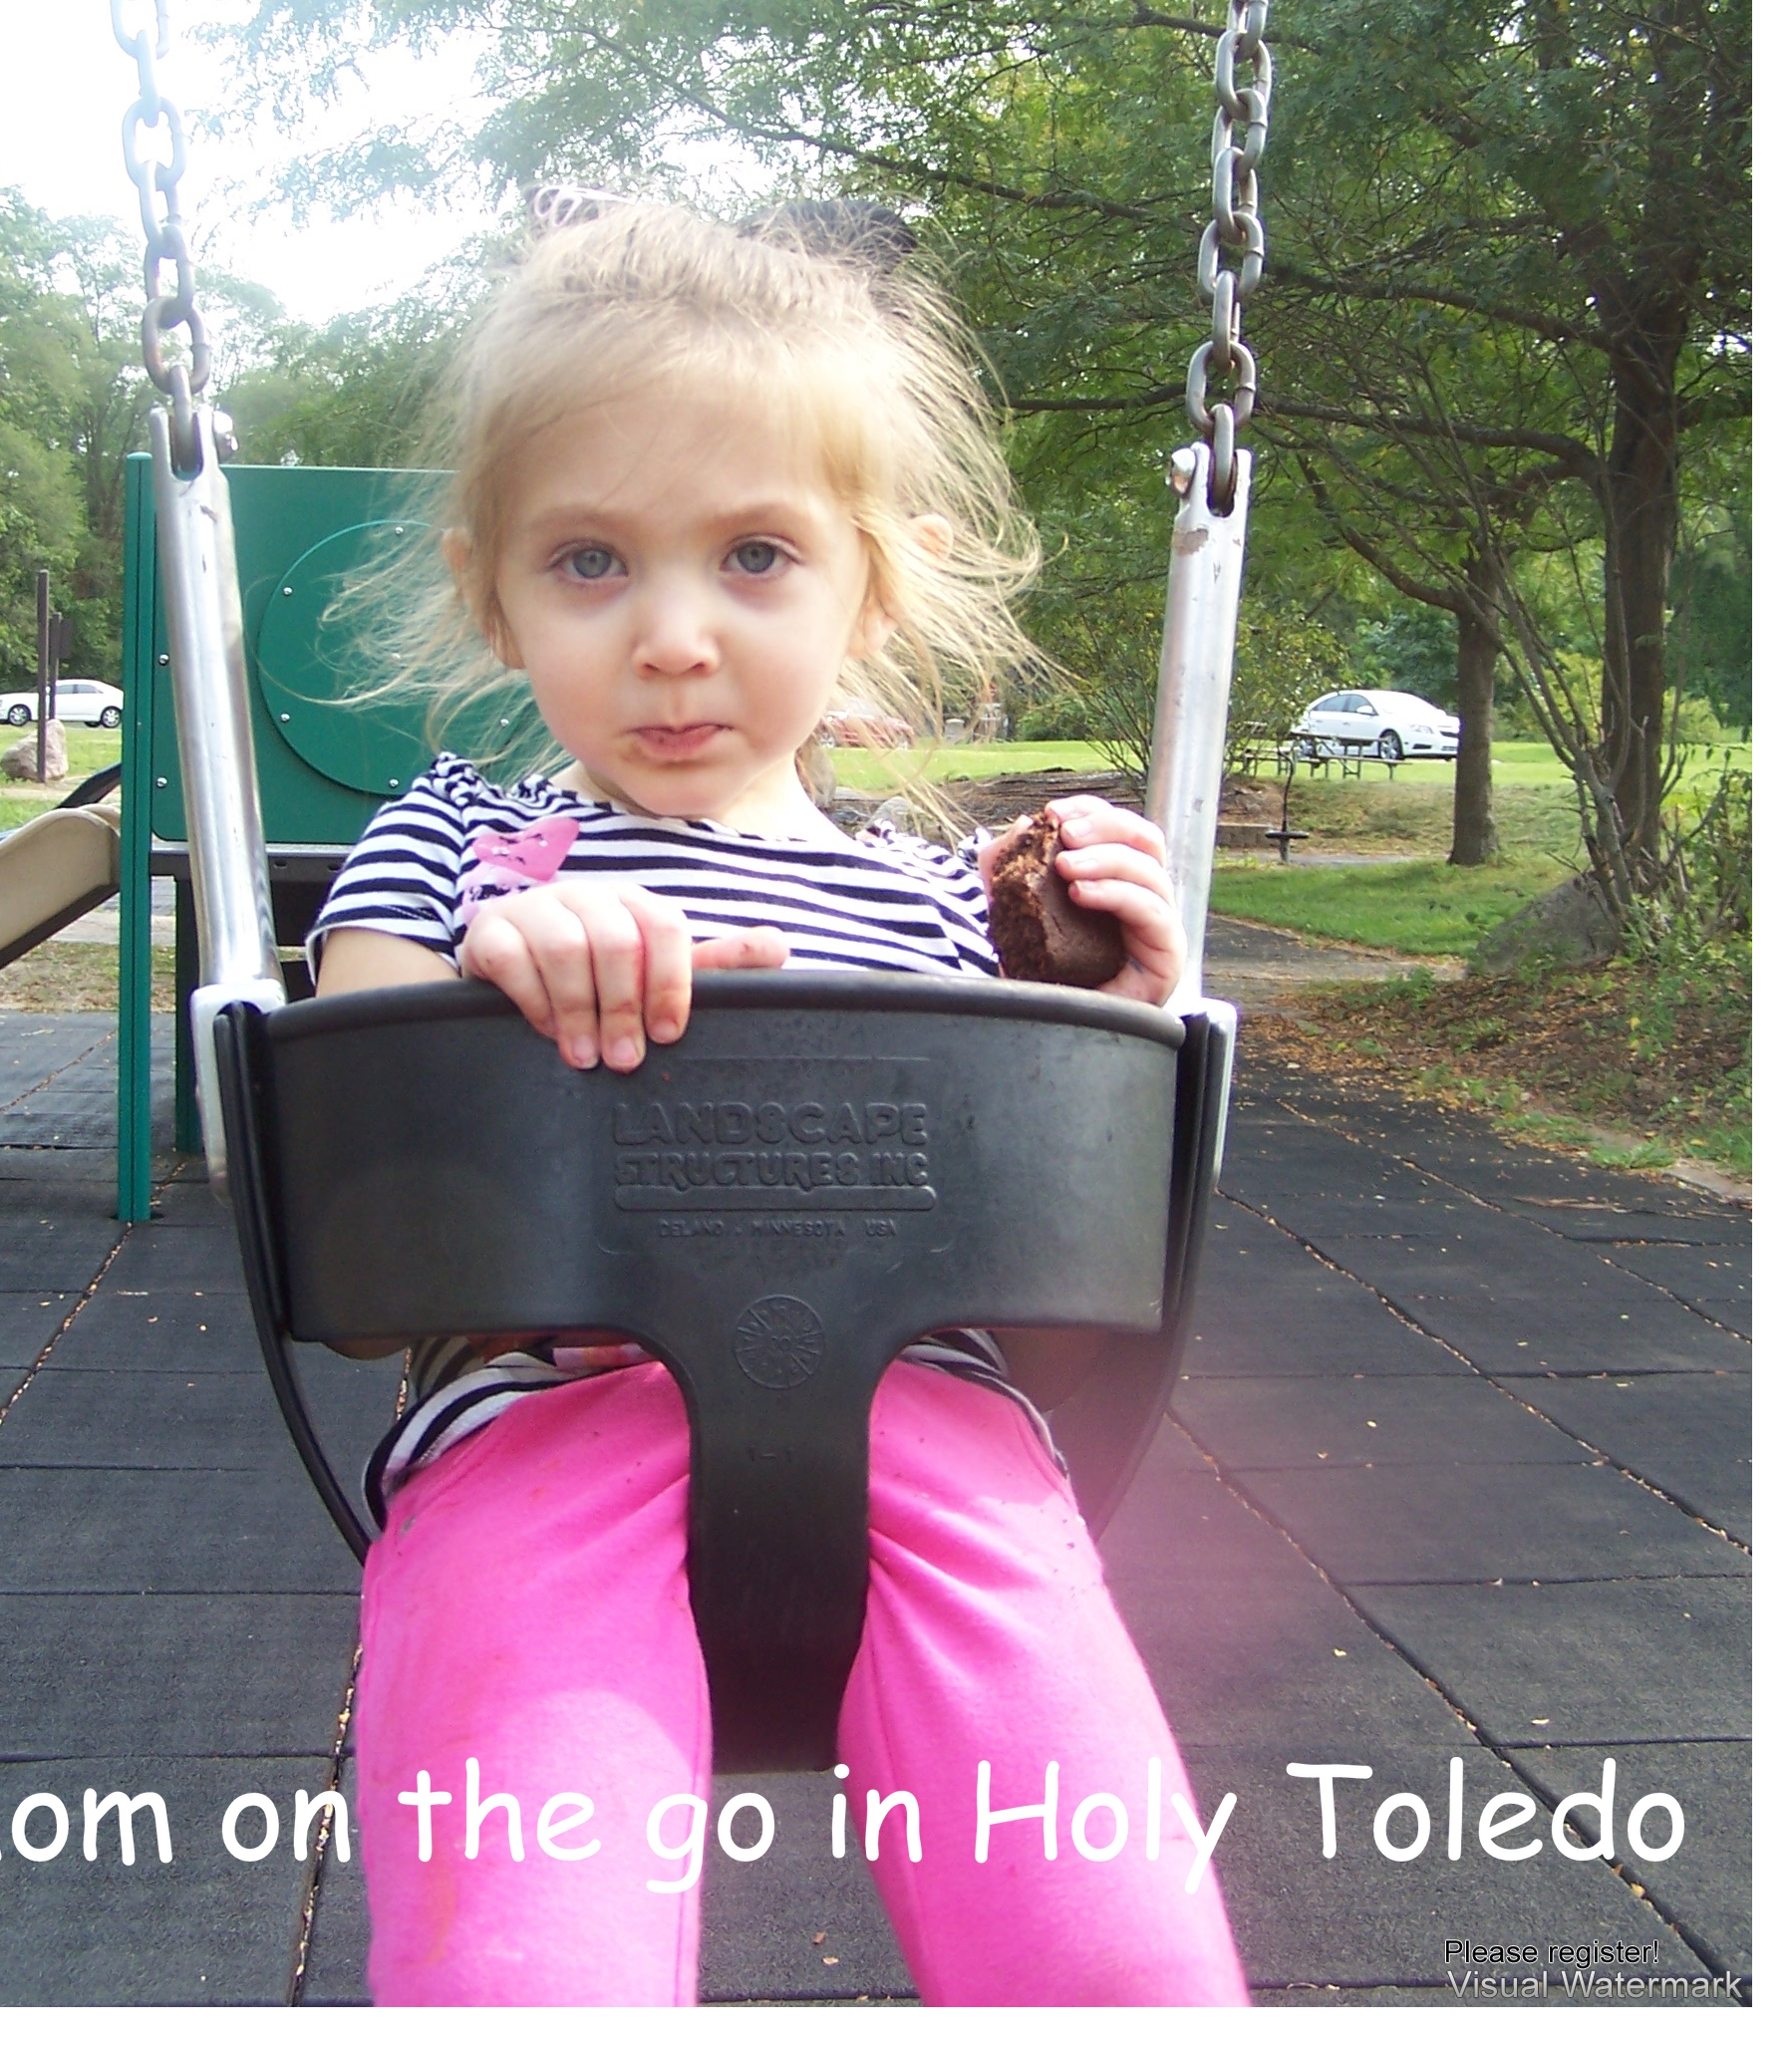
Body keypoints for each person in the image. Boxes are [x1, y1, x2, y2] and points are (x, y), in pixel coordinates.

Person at [307, 196, 1248, 2009]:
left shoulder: (939, 909)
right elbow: (364, 1226)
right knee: (529, 1959)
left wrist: (1108, 1036)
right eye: (590, 561)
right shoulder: (456, 843)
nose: (673, 637)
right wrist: (492, 977)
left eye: (754, 555)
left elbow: (1052, 1311)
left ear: (870, 586)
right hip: (548, 1438)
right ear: (492, 590)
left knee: (1116, 1953)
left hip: (936, 1444)